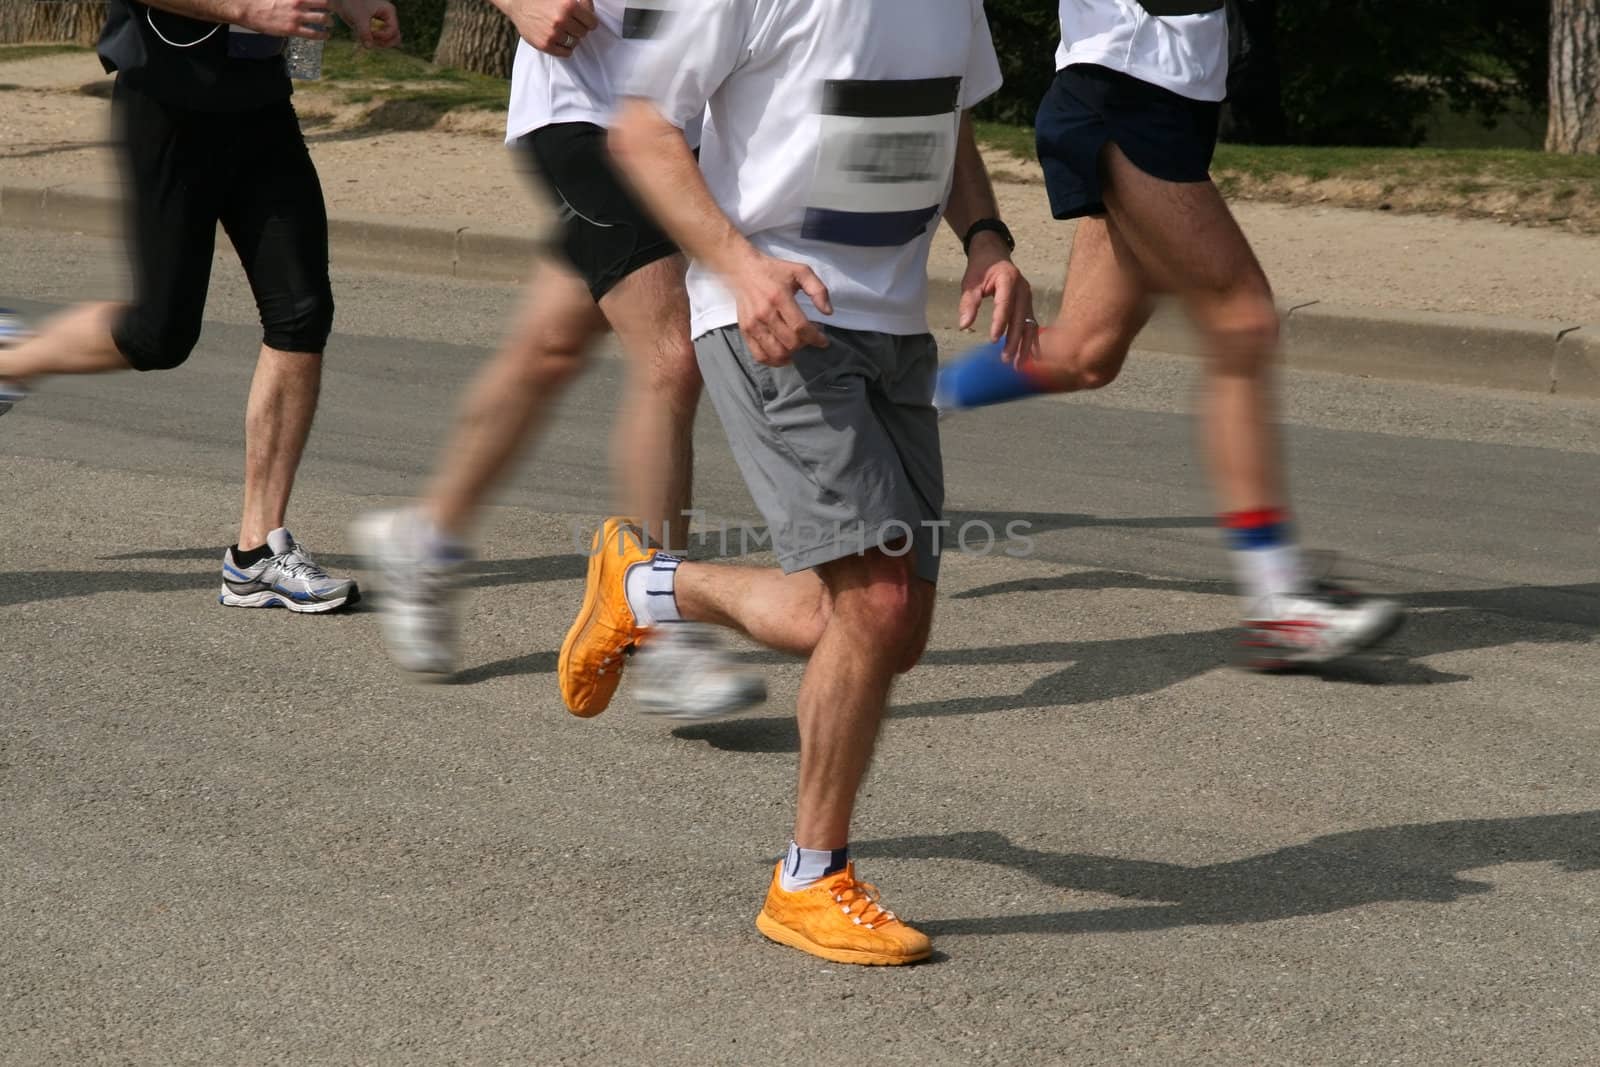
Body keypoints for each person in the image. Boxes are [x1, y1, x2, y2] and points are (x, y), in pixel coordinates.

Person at [570, 0, 1033, 965]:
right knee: (877, 599)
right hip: (774, 314)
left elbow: (942, 115)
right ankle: (808, 879)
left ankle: (645, 586)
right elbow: (644, 129)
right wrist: (737, 266)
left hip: (895, 327)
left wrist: (986, 235)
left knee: (882, 631)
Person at [933, 0, 1401, 669]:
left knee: (1088, 351)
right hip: (1121, 92)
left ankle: (908, 402)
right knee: (1243, 323)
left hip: (1172, 94)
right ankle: (1280, 604)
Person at [350, 0, 764, 714]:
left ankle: (427, 533)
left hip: (688, 112)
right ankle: (661, 629)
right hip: (586, 106)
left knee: (553, 344)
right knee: (670, 355)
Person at [0, 0, 400, 612]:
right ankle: (11, 358)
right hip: (168, 104)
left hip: (262, 105)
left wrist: (353, 5)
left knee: (303, 312)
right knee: (157, 336)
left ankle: (255, 555)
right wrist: (249, 8)